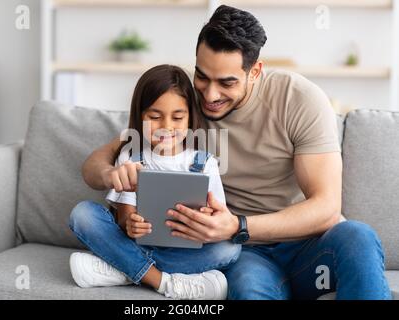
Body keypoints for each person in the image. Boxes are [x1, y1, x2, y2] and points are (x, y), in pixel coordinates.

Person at [79, 5, 392, 300]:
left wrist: (239, 225)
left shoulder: (299, 100)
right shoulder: (185, 108)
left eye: (227, 82)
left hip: (308, 246)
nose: (211, 94)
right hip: (245, 253)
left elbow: (326, 207)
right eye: (202, 76)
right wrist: (111, 174)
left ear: (255, 71)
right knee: (247, 288)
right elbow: (102, 161)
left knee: (358, 237)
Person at [69, 64, 241, 300]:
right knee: (83, 214)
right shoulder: (132, 155)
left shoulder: (205, 162)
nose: (166, 127)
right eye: (154, 116)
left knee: (231, 248)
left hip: (183, 249)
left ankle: (124, 270)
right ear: (140, 115)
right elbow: (124, 218)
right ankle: (164, 282)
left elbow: (217, 220)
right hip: (136, 245)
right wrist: (131, 223)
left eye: (178, 117)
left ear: (190, 116)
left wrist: (205, 220)